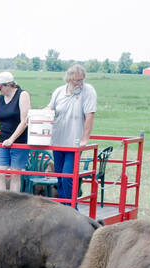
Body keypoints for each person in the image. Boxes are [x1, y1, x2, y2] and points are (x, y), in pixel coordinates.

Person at [45, 63, 96, 203]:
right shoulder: (59, 92)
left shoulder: (88, 91)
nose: (79, 83)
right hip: (58, 140)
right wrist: (36, 115)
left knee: (68, 176)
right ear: (68, 79)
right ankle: (63, 205)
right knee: (59, 176)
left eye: (81, 80)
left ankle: (71, 207)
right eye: (76, 80)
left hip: (74, 142)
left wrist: (85, 139)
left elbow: (90, 115)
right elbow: (50, 108)